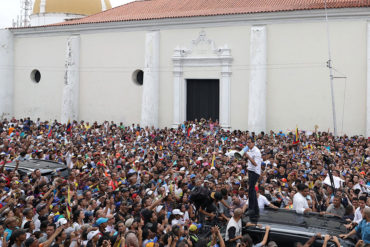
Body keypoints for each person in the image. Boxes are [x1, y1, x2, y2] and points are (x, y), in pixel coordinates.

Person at [243, 139, 262, 219]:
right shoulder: (249, 149)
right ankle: (255, 209)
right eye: (247, 142)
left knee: (251, 189)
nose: (248, 144)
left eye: (249, 142)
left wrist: (248, 157)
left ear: (253, 143)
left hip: (255, 172)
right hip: (250, 171)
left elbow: (255, 164)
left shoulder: (257, 151)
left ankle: (251, 208)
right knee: (252, 190)